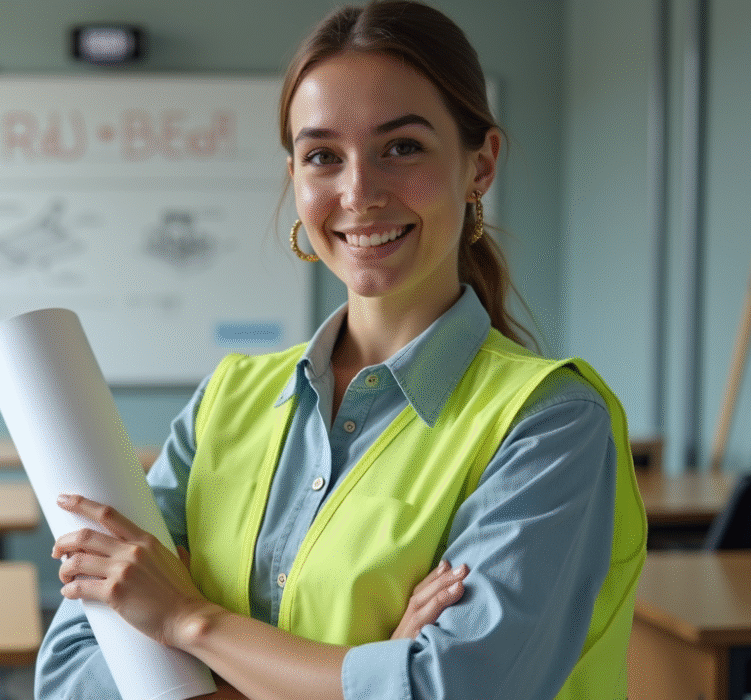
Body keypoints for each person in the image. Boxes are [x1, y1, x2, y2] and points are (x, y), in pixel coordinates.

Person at [35, 1, 647, 698]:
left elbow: (454, 689)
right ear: (296, 176)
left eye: (402, 147)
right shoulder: (227, 399)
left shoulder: (551, 422)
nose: (359, 192)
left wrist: (188, 620)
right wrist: (372, 670)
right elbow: (75, 670)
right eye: (323, 155)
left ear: (481, 165)